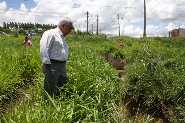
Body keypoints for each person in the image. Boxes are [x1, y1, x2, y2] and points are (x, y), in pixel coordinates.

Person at [40, 17, 74, 100]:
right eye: (70, 28)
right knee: (50, 87)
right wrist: (47, 63)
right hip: (52, 64)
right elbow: (44, 48)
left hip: (62, 65)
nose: (70, 31)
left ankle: (59, 102)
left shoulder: (61, 36)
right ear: (63, 25)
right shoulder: (51, 33)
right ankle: (48, 105)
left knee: (62, 84)